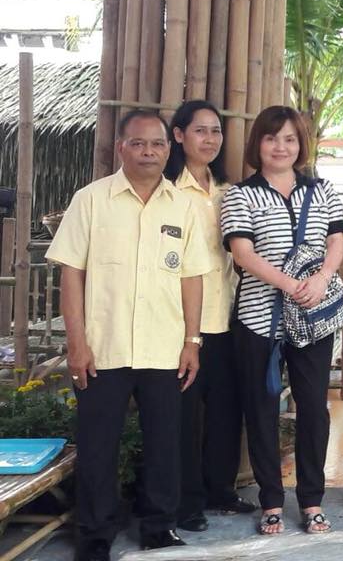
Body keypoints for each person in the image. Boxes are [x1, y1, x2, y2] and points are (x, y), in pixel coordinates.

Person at [47, 109, 210, 561]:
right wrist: (76, 343)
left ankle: (159, 526)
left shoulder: (183, 206)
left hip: (164, 347)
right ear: (121, 147)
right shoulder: (91, 200)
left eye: (156, 144)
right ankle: (95, 534)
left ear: (169, 148)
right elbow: (72, 275)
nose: (148, 152)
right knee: (98, 444)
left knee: (165, 443)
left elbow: (192, 278)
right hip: (104, 347)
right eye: (138, 143)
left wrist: (192, 341)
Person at [220, 106, 343, 536]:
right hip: (259, 319)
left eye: (290, 139)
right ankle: (271, 501)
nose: (281, 147)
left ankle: (311, 499)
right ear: (258, 143)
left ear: (301, 145)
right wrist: (292, 284)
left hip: (312, 318)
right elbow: (243, 254)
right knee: (261, 410)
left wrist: (323, 278)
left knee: (314, 408)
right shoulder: (241, 195)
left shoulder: (322, 189)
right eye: (272, 138)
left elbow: (336, 239)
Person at [164, 101, 255, 533]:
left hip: (227, 316)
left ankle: (221, 489)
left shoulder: (229, 192)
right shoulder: (166, 191)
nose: (210, 139)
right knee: (184, 417)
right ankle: (186, 503)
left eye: (216, 131)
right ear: (179, 135)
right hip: (181, 324)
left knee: (225, 411)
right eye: (200, 130)